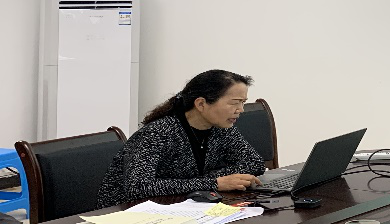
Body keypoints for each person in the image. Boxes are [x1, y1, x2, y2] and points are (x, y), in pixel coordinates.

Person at [97, 69, 267, 207]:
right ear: (201, 104)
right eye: (234, 102)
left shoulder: (221, 128)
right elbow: (138, 187)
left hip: (181, 205)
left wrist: (214, 181)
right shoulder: (158, 132)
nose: (241, 109)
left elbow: (254, 163)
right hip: (127, 211)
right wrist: (214, 182)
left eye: (243, 102)